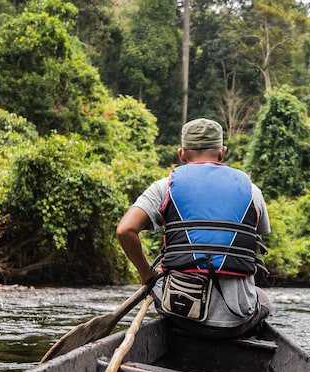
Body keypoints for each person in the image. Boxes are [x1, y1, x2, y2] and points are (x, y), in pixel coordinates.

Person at [116, 118, 272, 338]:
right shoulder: (251, 190)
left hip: (181, 316)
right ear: (222, 152)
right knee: (263, 299)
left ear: (181, 154)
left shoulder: (164, 186)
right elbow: (253, 246)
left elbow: (125, 230)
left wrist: (147, 274)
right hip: (237, 321)